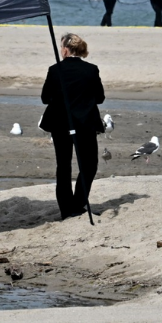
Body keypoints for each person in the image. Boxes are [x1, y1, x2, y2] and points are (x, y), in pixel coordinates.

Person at [40, 33, 105, 219]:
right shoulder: (91, 70)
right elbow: (99, 97)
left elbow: (45, 97)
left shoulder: (55, 70)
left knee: (64, 165)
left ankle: (67, 208)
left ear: (66, 49)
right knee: (88, 165)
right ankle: (77, 203)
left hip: (61, 123)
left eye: (62, 47)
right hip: (85, 123)